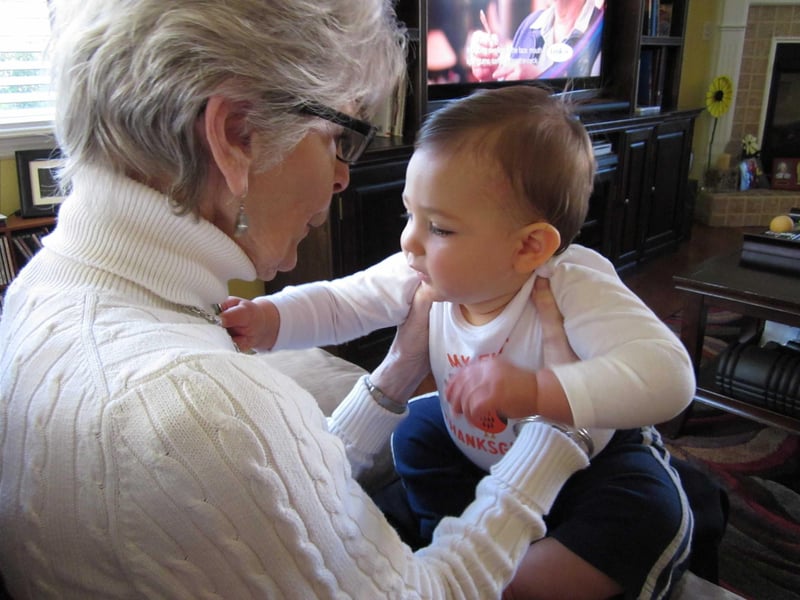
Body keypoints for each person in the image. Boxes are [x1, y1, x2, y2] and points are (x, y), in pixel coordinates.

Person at [0, 2, 593, 598]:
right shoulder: (191, 406)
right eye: (339, 138)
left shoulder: (40, 287)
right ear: (236, 135)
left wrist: (396, 374)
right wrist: (557, 439)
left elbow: (269, 504)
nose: (342, 178)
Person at [220, 85, 698, 598]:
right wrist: (270, 317)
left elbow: (671, 376)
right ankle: (456, 544)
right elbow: (345, 301)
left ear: (529, 246)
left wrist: (539, 391)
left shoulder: (572, 283)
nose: (410, 240)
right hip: (476, 450)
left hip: (592, 461)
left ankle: (528, 568)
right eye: (410, 214)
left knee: (649, 513)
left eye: (440, 228)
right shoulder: (423, 273)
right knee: (418, 431)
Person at [469, 0, 603, 82]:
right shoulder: (529, 25)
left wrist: (541, 85)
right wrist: (489, 78)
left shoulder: (602, 30)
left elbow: (597, 114)